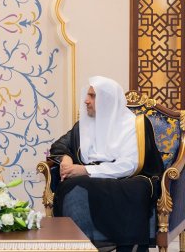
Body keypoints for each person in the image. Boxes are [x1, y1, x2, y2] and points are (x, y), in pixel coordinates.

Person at [50, 76, 163, 252]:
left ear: (108, 100)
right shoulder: (84, 125)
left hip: (128, 177)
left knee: (137, 188)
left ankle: (127, 246)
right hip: (90, 178)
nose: (86, 101)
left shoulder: (135, 124)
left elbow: (129, 165)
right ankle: (82, 246)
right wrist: (66, 157)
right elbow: (61, 144)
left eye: (92, 96)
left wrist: (85, 170)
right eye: (87, 95)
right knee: (72, 187)